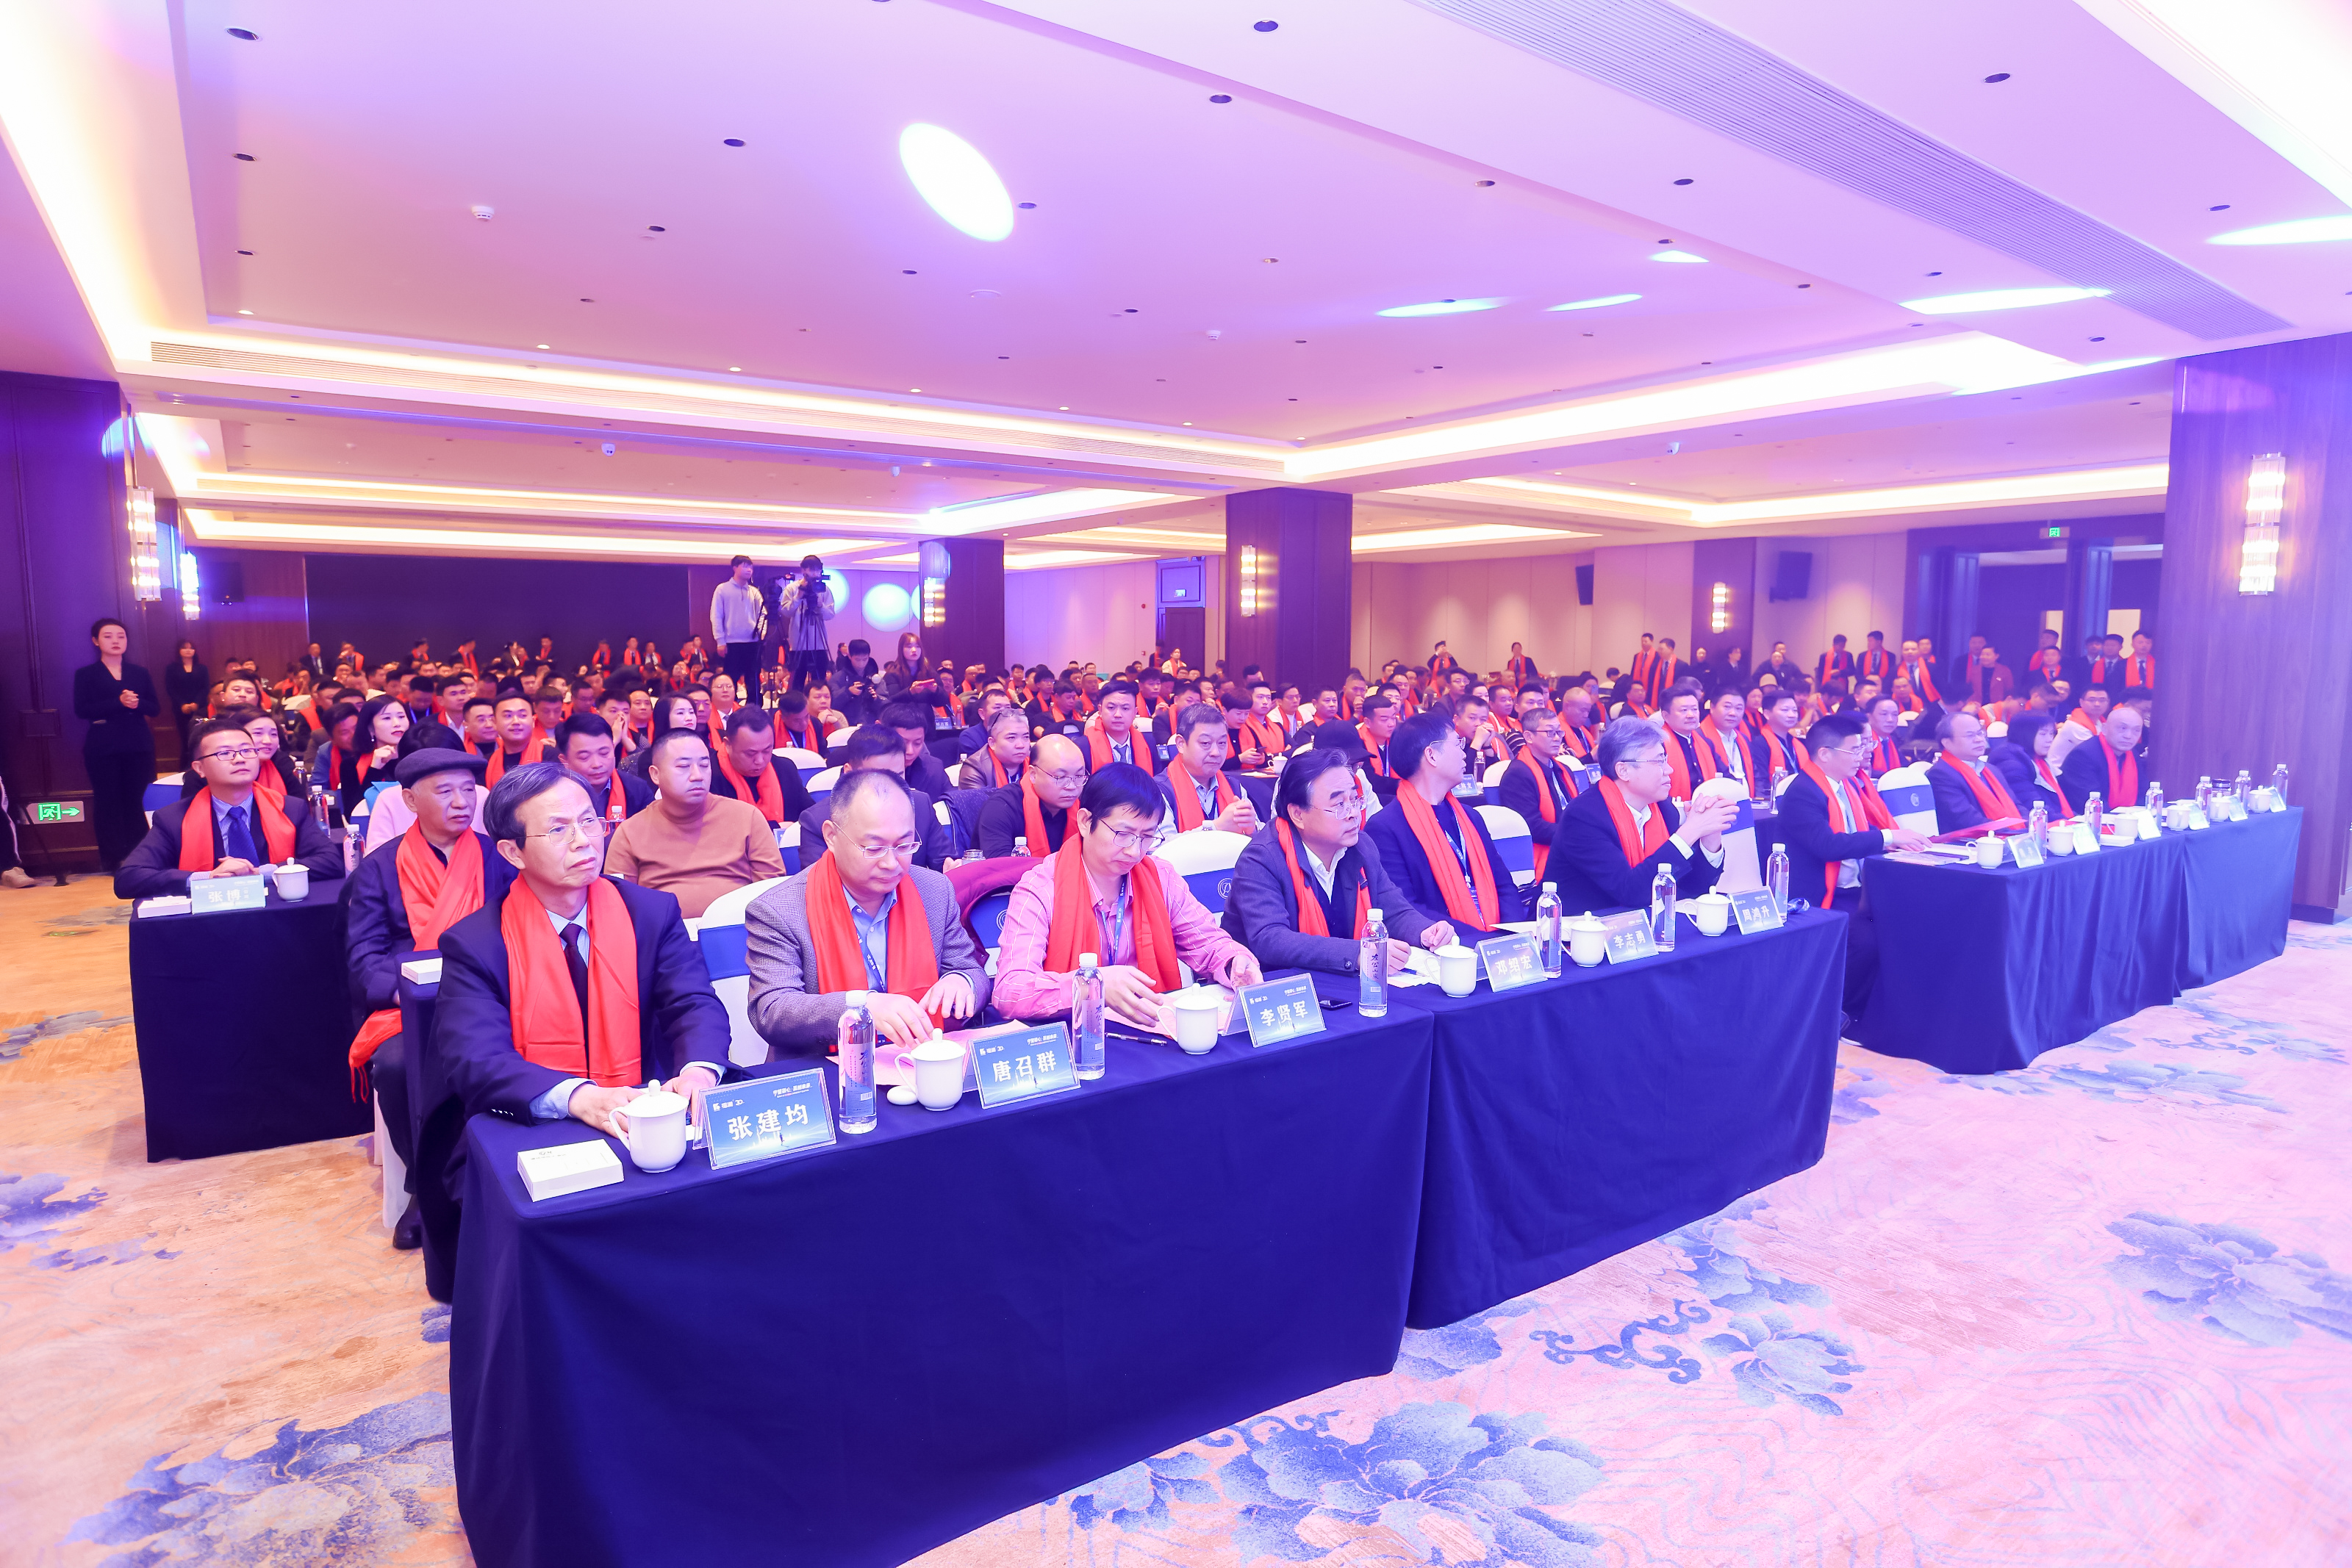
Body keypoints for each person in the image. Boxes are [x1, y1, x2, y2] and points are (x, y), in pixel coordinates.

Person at [435, 763, 731, 1167]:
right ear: (512, 852)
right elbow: (476, 1059)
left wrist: (699, 1072)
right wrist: (579, 1098)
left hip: (645, 1109)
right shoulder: (476, 943)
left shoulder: (651, 912)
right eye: (558, 830)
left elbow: (693, 1003)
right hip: (531, 1122)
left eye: (589, 821)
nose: (583, 842)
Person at [344, 748, 513, 1248]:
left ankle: (498, 1170)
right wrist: (408, 992)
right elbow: (364, 957)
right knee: (397, 1067)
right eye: (445, 792)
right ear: (410, 801)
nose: (462, 802)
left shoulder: (499, 856)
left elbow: (522, 928)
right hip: (412, 1009)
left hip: (491, 998)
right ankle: (426, 1186)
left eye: (468, 790)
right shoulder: (379, 867)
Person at [744, 769, 990, 1055]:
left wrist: (963, 982)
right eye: (874, 849)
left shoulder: (934, 891)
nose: (891, 863)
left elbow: (972, 971)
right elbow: (773, 1010)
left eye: (904, 845)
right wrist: (860, 1007)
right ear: (831, 836)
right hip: (827, 1068)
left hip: (919, 1059)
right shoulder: (779, 910)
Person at [994, 764, 1260, 1025]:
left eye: (1146, 837)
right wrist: (1090, 986)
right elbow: (1010, 991)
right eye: (1123, 834)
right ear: (1085, 822)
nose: (1135, 851)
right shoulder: (1041, 889)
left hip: (1150, 1027)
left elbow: (1209, 944)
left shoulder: (1160, 877)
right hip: (1074, 1037)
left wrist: (1235, 963)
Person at [1222, 748, 1455, 975]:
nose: (1353, 813)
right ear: (1298, 815)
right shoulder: (1262, 858)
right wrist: (1358, 953)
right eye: (1339, 805)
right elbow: (1271, 939)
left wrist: (1425, 931)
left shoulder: (1361, 847)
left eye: (1354, 800)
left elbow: (1392, 911)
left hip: (1339, 982)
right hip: (1276, 985)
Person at [1779, 713, 1928, 1025]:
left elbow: (1857, 832)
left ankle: (1886, 1014)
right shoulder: (1803, 792)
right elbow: (1827, 845)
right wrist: (1888, 838)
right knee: (1868, 944)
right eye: (1854, 750)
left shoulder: (1846, 786)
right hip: (1822, 895)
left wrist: (1890, 842)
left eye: (1863, 748)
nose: (1862, 756)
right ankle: (1841, 1015)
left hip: (1857, 887)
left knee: (1910, 923)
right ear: (1825, 753)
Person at [115, 716, 343, 899]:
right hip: (205, 923)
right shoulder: (174, 819)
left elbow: (330, 861)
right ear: (199, 768)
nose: (239, 759)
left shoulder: (289, 808)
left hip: (278, 914)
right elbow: (129, 878)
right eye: (224, 753)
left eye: (247, 751)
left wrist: (260, 873)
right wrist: (208, 878)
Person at [1540, 716, 1735, 915]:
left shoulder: (1663, 809)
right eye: (1659, 761)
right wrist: (1690, 830)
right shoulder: (1584, 816)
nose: (1669, 770)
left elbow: (1691, 888)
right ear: (1624, 771)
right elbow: (1630, 891)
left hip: (1637, 923)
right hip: (1576, 926)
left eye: (1665, 760)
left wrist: (1710, 836)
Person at [1360, 711, 1526, 935]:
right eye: (1457, 744)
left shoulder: (1471, 817)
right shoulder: (1386, 827)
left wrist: (1508, 934)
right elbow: (1406, 909)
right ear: (1431, 755)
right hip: (1445, 946)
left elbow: (1504, 885)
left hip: (1497, 938)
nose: (1464, 753)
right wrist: (1479, 941)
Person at [601, 728, 786, 918]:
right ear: (655, 775)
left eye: (704, 765)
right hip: (663, 933)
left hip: (738, 928)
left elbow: (773, 890)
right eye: (684, 766)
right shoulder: (630, 833)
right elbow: (620, 905)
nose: (698, 775)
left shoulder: (747, 817)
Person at [795, 725, 950, 871]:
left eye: (898, 776)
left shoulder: (921, 805)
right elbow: (817, 882)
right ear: (849, 772)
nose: (890, 787)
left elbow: (944, 864)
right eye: (878, 778)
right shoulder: (817, 820)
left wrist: (953, 869)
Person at [75, 617, 161, 871]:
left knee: (138, 799)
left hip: (138, 744)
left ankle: (141, 856)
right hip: (103, 745)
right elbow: (81, 710)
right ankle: (114, 858)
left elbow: (154, 708)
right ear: (96, 641)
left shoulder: (139, 672)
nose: (116, 641)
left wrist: (137, 704)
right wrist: (118, 702)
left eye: (121, 636)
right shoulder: (86, 674)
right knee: (108, 801)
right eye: (108, 636)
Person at [1496, 708, 1582, 884]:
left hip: (1569, 845)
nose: (1557, 738)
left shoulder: (1563, 769)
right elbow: (1532, 826)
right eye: (1550, 732)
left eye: (1559, 732)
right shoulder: (1518, 774)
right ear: (1529, 737)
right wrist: (1576, 834)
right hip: (1546, 854)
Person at [1156, 703, 1261, 836]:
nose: (1216, 752)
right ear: (1181, 744)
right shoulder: (1160, 790)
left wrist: (1253, 830)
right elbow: (1160, 845)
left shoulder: (1234, 787)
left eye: (1222, 743)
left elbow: (1260, 835)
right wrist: (1216, 827)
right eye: (1205, 743)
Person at [978, 733, 1087, 857]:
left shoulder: (1084, 807)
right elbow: (999, 866)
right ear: (1033, 774)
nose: (1072, 786)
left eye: (1079, 776)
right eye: (1060, 777)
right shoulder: (1001, 808)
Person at [707, 705, 814, 829]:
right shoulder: (709, 777)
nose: (760, 761)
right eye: (750, 753)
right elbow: (714, 830)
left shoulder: (785, 769)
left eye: (767, 751)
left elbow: (811, 815)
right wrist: (774, 828)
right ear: (728, 744)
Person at [1926, 712, 2025, 831]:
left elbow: (2016, 805)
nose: (1979, 740)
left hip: (2009, 835)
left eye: (1980, 733)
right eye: (1970, 736)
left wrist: (2029, 827)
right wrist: (2013, 833)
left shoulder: (1992, 770)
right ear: (1947, 743)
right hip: (1973, 840)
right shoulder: (1940, 775)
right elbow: (1967, 820)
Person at [557, 713, 654, 823]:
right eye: (584, 757)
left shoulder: (638, 790)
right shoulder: (552, 795)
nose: (597, 764)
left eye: (604, 753)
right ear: (564, 761)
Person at [2058, 704, 2144, 814]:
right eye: (2122, 728)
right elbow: (2091, 802)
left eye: (2136, 730)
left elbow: (2141, 795)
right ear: (2104, 729)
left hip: (2122, 819)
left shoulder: (2132, 755)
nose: (2128, 736)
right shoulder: (2083, 755)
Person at [1992, 711, 2072, 820]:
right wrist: (2066, 821)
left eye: (2051, 734)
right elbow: (2032, 804)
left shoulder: (2037, 759)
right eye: (2043, 734)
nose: (2050, 740)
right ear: (2025, 734)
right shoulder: (2010, 762)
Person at [774, 555, 835, 694]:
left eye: (818, 570)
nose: (815, 573)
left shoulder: (823, 589)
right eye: (812, 570)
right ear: (803, 570)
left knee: (819, 682)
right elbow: (786, 612)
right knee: (797, 682)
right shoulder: (792, 588)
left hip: (819, 644)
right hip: (798, 643)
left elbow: (830, 615)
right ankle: (797, 705)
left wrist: (820, 605)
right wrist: (799, 597)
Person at [711, 554, 767, 688]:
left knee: (753, 680)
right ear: (735, 568)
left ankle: (754, 702)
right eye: (745, 566)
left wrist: (762, 632)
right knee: (731, 679)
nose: (749, 570)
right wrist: (720, 641)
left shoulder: (754, 591)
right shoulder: (722, 589)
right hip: (732, 642)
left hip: (753, 642)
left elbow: (763, 614)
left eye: (751, 567)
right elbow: (716, 615)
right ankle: (731, 702)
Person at [1078, 679, 1152, 770]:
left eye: (1125, 708)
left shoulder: (1148, 742)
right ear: (1100, 710)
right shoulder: (1083, 746)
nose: (1118, 715)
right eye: (1111, 708)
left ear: (1135, 712)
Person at [959, 704, 1032, 791]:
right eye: (1012, 738)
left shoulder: (1036, 763)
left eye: (1026, 737)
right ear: (992, 743)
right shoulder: (975, 768)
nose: (1021, 745)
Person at [482, 691, 549, 785]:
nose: (516, 722)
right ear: (495, 722)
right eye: (508, 716)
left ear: (533, 721)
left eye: (523, 715)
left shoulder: (550, 757)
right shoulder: (486, 763)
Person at [163, 639, 209, 754]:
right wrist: (182, 704)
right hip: (180, 709)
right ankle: (185, 764)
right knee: (185, 739)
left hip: (200, 708)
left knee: (200, 737)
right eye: (185, 648)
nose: (188, 650)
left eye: (191, 648)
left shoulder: (202, 668)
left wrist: (196, 703)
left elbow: (205, 688)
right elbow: (171, 689)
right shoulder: (171, 668)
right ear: (179, 650)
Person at [2123, 630, 2154, 694]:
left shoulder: (2157, 666)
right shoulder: (2122, 665)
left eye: (2148, 643)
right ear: (2132, 644)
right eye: (2140, 642)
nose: (2144, 645)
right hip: (2128, 698)